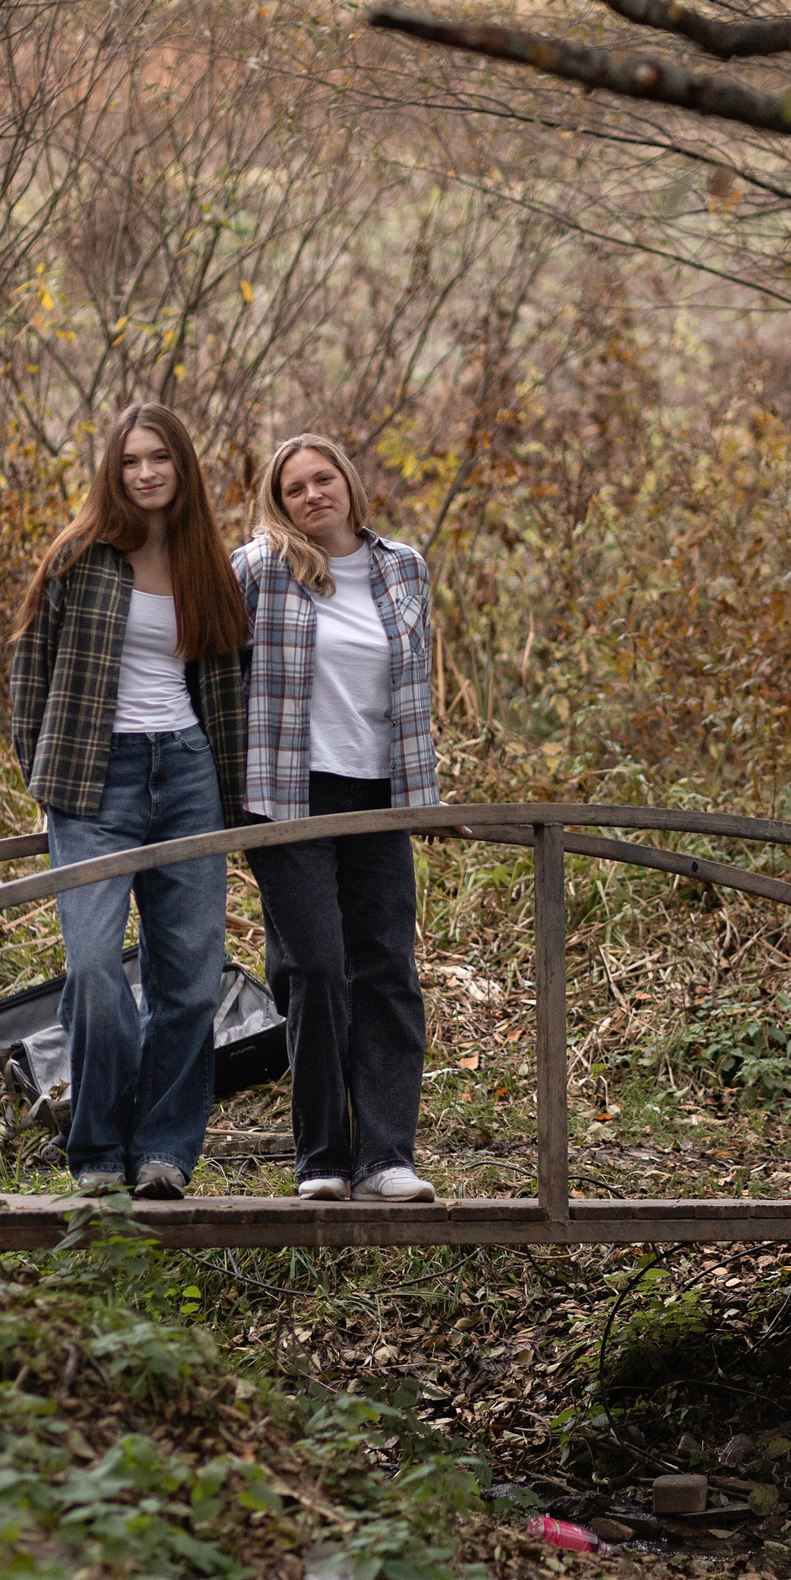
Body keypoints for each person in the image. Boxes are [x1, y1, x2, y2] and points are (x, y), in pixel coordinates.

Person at [9, 401, 249, 1200]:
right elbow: (28, 671)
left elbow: (226, 684)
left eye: (159, 459)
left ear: (182, 468)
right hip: (95, 782)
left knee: (189, 978)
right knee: (93, 973)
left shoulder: (204, 562)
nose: (146, 473)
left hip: (186, 775)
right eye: (131, 462)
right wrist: (46, 778)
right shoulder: (81, 557)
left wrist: (234, 789)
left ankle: (165, 1153)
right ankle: (97, 1148)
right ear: (113, 474)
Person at [234, 433, 439, 1203]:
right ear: (278, 502)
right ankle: (321, 1156)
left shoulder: (404, 567)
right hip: (288, 793)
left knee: (387, 966)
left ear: (349, 483)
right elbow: (216, 671)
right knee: (316, 967)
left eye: (324, 479)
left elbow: (414, 696)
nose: (313, 494)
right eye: (295, 488)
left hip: (378, 794)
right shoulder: (258, 568)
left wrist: (425, 797)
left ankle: (387, 1155)